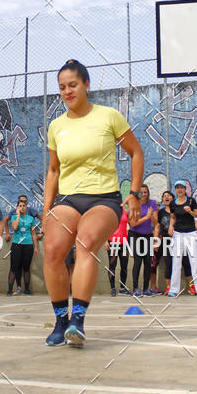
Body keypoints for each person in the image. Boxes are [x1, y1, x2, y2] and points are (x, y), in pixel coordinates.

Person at [43, 59, 144, 347]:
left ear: (87, 84)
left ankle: (78, 321)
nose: (67, 91)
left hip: (104, 199)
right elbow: (53, 170)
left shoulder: (109, 116)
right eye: (62, 87)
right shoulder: (56, 126)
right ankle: (61, 321)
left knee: (85, 242)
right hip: (67, 199)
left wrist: (134, 193)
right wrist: (46, 209)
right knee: (52, 251)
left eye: (72, 85)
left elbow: (136, 152)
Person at [167, 181, 197, 297]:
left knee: (194, 261)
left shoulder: (191, 201)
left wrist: (190, 212)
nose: (179, 190)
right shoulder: (173, 203)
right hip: (178, 233)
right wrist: (171, 226)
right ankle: (174, 289)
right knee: (176, 261)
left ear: (185, 189)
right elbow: (173, 217)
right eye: (177, 188)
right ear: (175, 190)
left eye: (182, 188)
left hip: (191, 233)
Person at [128, 184, 158, 296]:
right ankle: (135, 288)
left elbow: (155, 223)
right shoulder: (133, 204)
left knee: (147, 262)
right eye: (141, 192)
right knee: (138, 261)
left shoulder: (152, 203)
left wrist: (151, 216)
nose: (144, 194)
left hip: (148, 235)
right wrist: (146, 217)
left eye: (145, 192)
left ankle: (146, 288)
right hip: (135, 235)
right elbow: (133, 223)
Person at [7, 195, 39, 295]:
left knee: (26, 268)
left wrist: (36, 247)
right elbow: (15, 227)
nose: (22, 207)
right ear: (17, 207)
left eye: (24, 206)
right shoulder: (14, 217)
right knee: (14, 267)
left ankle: (27, 289)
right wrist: (18, 216)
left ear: (26, 207)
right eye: (20, 206)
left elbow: (33, 233)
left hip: (28, 244)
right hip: (17, 244)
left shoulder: (31, 219)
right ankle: (10, 289)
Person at [107, 208, 129, 297]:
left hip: (124, 242)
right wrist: (105, 241)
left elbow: (132, 223)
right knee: (112, 266)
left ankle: (122, 288)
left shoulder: (125, 211)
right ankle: (112, 288)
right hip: (112, 241)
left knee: (124, 266)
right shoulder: (110, 212)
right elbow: (105, 227)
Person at [155, 190, 174, 294]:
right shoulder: (161, 212)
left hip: (177, 239)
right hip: (165, 240)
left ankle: (191, 286)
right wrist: (156, 241)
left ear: (172, 198)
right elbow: (157, 227)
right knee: (168, 263)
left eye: (169, 195)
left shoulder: (176, 209)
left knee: (184, 262)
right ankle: (168, 286)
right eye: (164, 196)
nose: (166, 197)